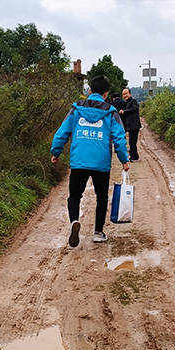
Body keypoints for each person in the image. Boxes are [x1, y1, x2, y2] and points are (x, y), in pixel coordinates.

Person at [51, 75, 130, 246]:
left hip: (79, 160)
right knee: (101, 197)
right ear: (106, 94)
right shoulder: (111, 112)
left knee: (74, 196)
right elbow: (119, 139)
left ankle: (74, 222)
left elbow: (62, 132)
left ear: (90, 91)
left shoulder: (76, 108)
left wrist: (55, 152)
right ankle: (98, 232)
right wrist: (124, 160)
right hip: (101, 163)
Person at [120, 87, 141, 160]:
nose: (125, 96)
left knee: (133, 142)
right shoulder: (126, 103)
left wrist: (124, 111)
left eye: (126, 94)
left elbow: (133, 109)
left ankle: (134, 157)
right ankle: (133, 155)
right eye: (123, 94)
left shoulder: (133, 101)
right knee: (131, 142)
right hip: (130, 125)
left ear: (130, 94)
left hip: (134, 125)